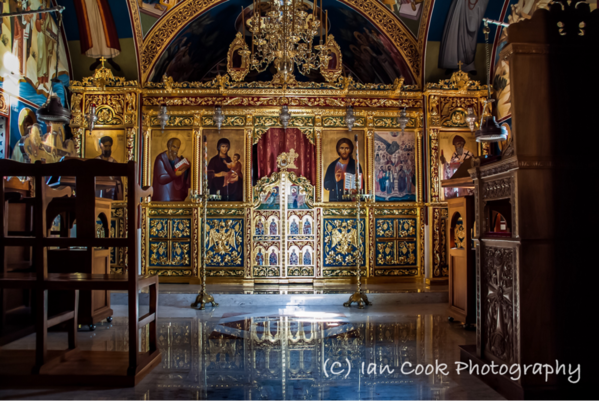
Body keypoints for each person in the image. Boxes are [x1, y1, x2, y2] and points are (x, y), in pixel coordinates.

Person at [438, 0, 490, 73]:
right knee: (456, 27)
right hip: (462, 3)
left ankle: (469, 64)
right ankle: (452, 63)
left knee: (473, 33)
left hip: (478, 4)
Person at [152, 137, 190, 202]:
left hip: (176, 196)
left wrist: (186, 170)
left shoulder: (178, 160)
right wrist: (176, 175)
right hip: (163, 195)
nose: (176, 150)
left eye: (178, 148)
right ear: (169, 146)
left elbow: (182, 181)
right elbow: (161, 178)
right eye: (174, 147)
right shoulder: (160, 159)